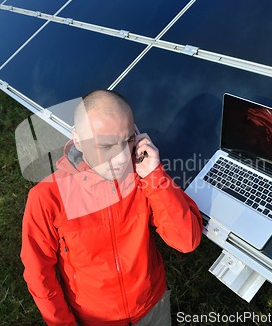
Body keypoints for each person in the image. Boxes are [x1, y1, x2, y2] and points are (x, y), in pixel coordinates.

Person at [20, 89, 203, 326]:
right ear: (77, 139)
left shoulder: (143, 176)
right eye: (106, 146)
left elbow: (187, 240)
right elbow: (38, 274)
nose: (121, 158)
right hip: (95, 319)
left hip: (152, 307)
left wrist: (154, 176)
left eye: (127, 140)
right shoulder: (47, 198)